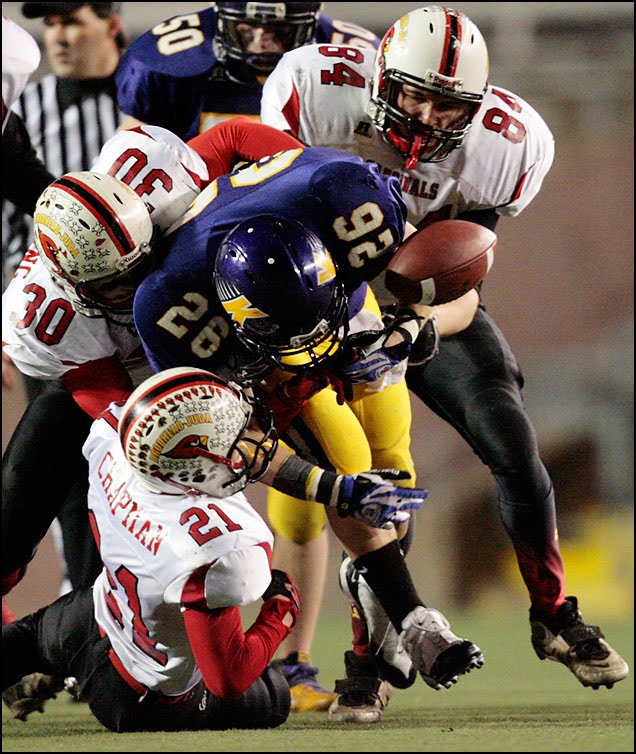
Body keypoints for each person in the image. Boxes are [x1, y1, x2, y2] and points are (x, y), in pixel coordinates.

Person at [259, 3, 630, 721]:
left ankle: (553, 614)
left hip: (413, 305)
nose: (426, 115)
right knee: (373, 477)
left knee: (514, 445)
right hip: (315, 303)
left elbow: (462, 284)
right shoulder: (317, 90)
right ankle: (365, 662)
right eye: (413, 93)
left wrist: (418, 328)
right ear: (379, 80)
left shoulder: (502, 144)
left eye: (448, 103)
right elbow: (265, 222)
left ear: (477, 107)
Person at [115, 1, 382, 712]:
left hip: (295, 275)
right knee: (163, 473)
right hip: (191, 302)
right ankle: (114, 646)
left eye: (280, 26)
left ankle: (333, 654)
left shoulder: (339, 66)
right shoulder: (164, 71)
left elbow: (238, 139)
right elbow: (146, 182)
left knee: (361, 449)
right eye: (249, 24)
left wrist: (273, 174)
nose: (263, 41)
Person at [2, 1, 127, 606]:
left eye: (70, 19)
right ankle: (88, 612)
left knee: (141, 461)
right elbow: (6, 222)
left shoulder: (150, 91)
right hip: (51, 317)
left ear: (111, 22)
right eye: (49, 24)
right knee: (65, 477)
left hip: (138, 313)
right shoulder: (26, 103)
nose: (58, 35)